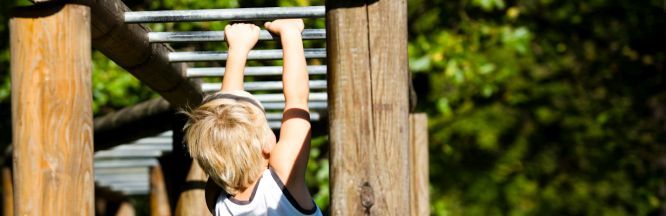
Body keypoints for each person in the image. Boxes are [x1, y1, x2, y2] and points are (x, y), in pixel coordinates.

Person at [182, 19, 322, 216]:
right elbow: (297, 100)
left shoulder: (217, 200)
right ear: (265, 147)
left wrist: (238, 49)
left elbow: (224, 121)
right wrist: (290, 33)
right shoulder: (283, 178)